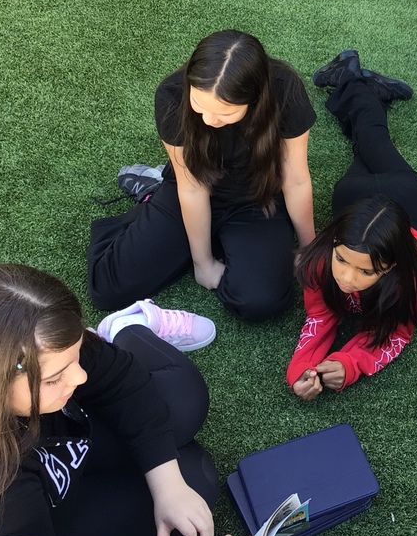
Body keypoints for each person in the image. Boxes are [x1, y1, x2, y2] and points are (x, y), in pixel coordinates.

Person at [0, 264, 245, 536]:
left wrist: (168, 485)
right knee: (198, 476)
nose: (80, 376)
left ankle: (127, 328)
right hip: (52, 516)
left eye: (77, 355)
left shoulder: (40, 346)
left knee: (185, 402)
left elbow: (121, 376)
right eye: (55, 377)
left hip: (67, 440)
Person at [87, 30, 316, 322]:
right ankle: (150, 198)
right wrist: (203, 263)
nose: (209, 120)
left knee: (261, 302)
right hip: (192, 188)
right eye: (200, 105)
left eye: (225, 113)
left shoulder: (285, 89)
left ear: (256, 98)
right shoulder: (172, 93)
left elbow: (295, 179)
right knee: (108, 288)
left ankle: (225, 239)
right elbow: (192, 187)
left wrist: (310, 249)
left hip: (257, 199)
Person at [286, 50, 417, 399]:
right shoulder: (321, 260)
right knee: (370, 139)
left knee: (369, 140)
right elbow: (319, 316)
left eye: (366, 271)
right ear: (333, 242)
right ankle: (361, 87)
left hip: (404, 196)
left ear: (390, 266)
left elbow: (395, 334)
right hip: (355, 195)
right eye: (342, 260)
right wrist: (301, 368)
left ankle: (352, 80)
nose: (347, 278)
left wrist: (349, 365)